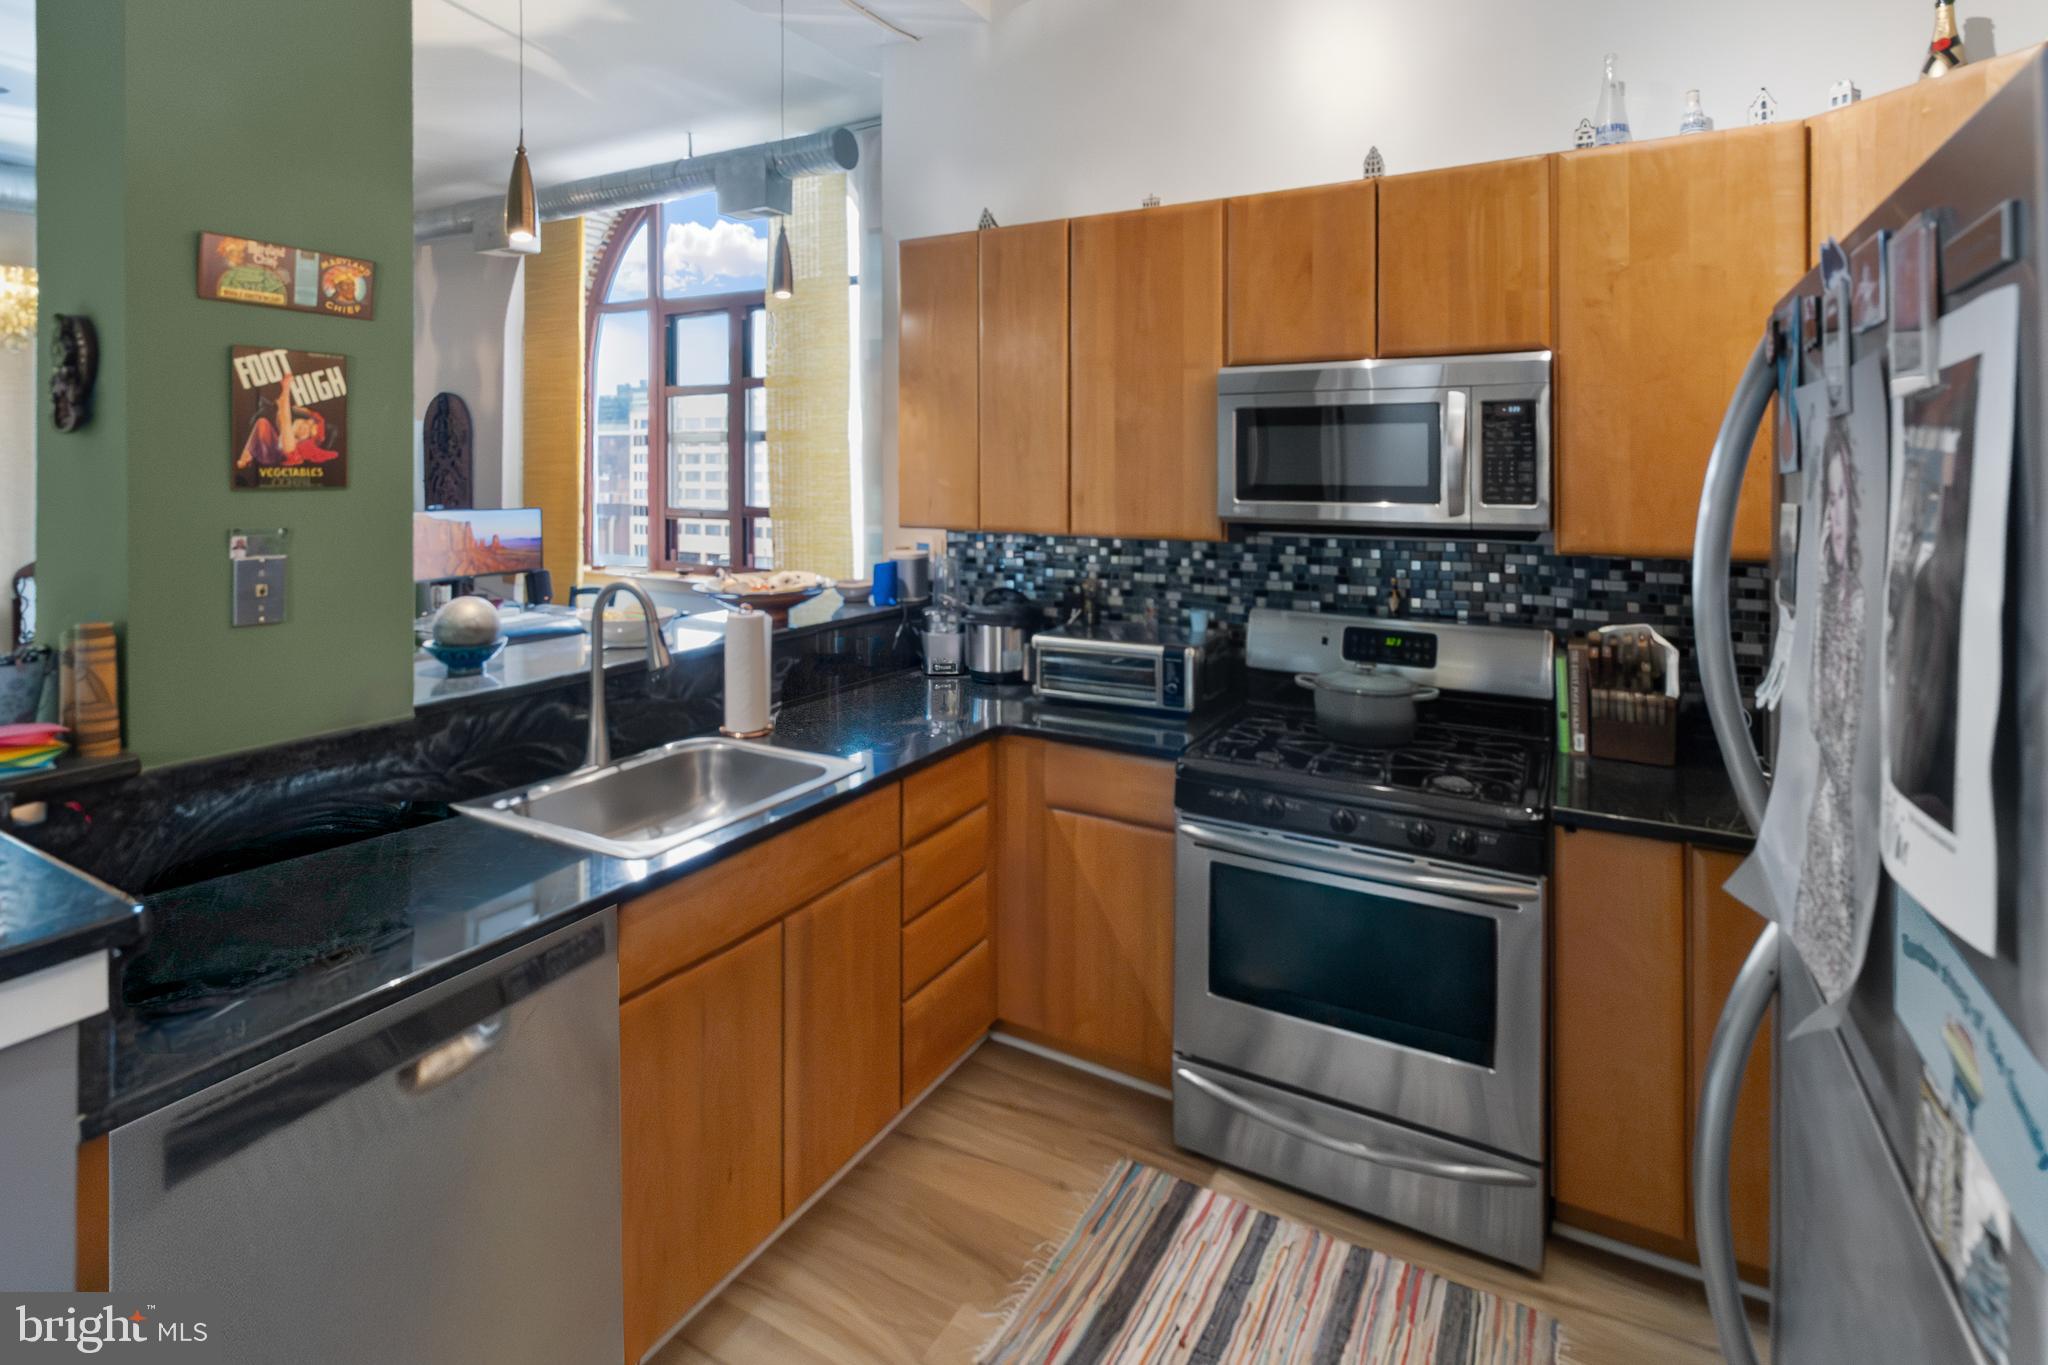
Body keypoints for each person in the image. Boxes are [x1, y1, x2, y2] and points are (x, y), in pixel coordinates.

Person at [1796, 418, 1866, 997]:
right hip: (1826, 841)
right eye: (1830, 496)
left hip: (1854, 838)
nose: (1834, 513)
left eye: (1843, 497)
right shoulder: (1833, 603)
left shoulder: (1865, 612)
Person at [235, 361, 341, 477]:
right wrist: (283, 402)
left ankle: (246, 459)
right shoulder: (285, 431)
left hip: (283, 456)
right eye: (304, 424)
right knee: (262, 423)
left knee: (283, 430)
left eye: (309, 431)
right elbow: (283, 417)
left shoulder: (298, 447)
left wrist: (286, 388)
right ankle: (245, 458)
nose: (305, 428)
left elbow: (286, 420)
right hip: (270, 453)